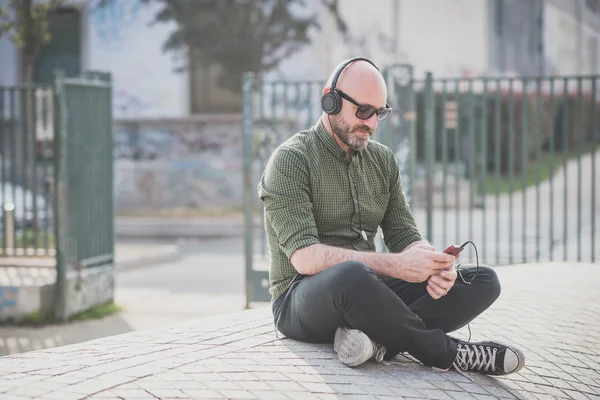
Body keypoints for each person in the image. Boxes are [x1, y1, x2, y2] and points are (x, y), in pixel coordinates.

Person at [257, 57, 525, 375]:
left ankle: (377, 343)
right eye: (363, 111)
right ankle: (448, 353)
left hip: (368, 291)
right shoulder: (291, 160)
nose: (371, 123)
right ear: (331, 101)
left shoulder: (383, 160)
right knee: (352, 275)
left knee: (482, 281)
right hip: (300, 300)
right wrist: (396, 266)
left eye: (380, 113)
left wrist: (433, 265)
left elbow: (405, 236)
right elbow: (305, 259)